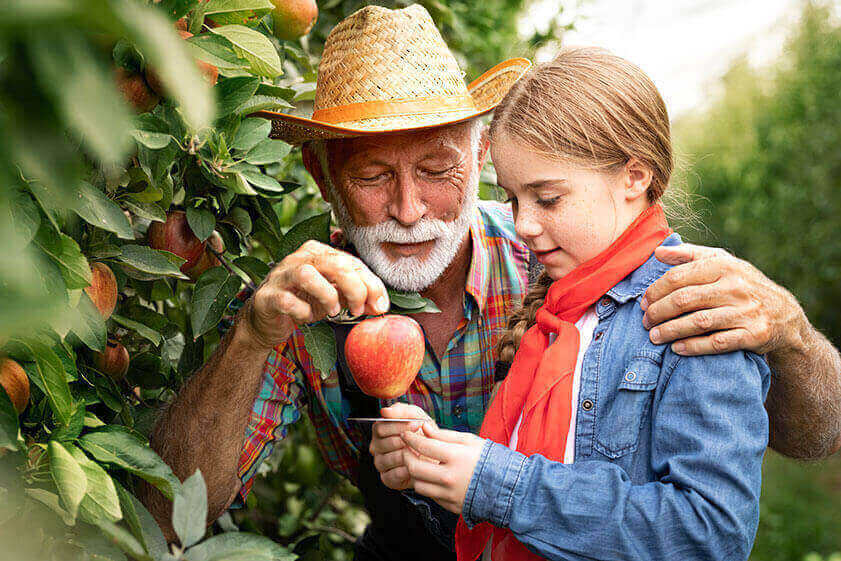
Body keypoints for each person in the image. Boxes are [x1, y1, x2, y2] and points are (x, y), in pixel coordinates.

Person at [138, 4, 841, 560]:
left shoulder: (564, 256)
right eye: (372, 176)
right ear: (323, 180)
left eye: (438, 171)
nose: (409, 210)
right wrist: (250, 339)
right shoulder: (298, 305)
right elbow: (168, 516)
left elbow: (802, 448)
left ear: (477, 159)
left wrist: (792, 335)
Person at [391, 46, 768, 561]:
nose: (523, 224)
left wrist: (495, 482)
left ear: (635, 176)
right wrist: (429, 469)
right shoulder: (554, 308)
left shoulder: (692, 309)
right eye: (513, 199)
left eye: (547, 199)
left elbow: (709, 536)